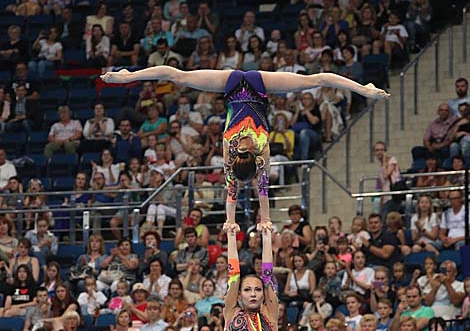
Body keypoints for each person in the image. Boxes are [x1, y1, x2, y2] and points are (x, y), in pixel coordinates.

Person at [102, 58, 387, 228]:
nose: (244, 147)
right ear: (253, 156)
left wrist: (230, 220)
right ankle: (364, 89)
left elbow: (231, 190)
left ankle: (129, 76)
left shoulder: (229, 146)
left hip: (230, 84)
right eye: (246, 152)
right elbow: (262, 188)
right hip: (261, 85)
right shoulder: (262, 148)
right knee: (313, 80)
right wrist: (265, 219)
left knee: (179, 77)